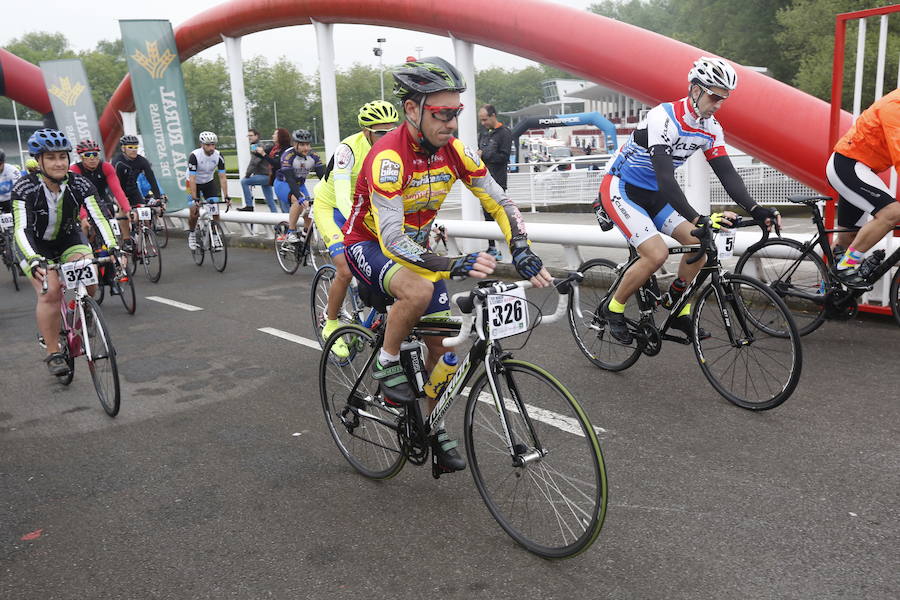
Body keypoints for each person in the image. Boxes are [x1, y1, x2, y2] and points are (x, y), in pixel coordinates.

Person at [342, 57, 552, 473]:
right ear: (413, 110)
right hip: (370, 243)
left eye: (456, 113)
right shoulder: (388, 157)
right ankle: (385, 364)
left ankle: (433, 425)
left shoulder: (454, 151)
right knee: (418, 290)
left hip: (418, 249)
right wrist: (452, 264)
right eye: (442, 114)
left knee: (445, 346)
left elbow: (499, 199)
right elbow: (392, 238)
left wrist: (522, 247)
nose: (452, 124)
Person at [597, 56, 779, 344]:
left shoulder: (711, 128)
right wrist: (697, 218)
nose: (718, 104)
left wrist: (756, 208)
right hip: (622, 188)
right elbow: (667, 179)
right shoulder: (663, 117)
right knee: (655, 255)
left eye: (724, 98)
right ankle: (613, 307)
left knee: (699, 245)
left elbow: (727, 174)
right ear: (695, 89)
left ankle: (677, 305)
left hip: (656, 194)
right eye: (714, 96)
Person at [11, 129, 118, 376]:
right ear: (39, 161)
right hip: (34, 245)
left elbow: (99, 216)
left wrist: (112, 245)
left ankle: (83, 308)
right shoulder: (24, 188)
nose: (59, 162)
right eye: (51, 157)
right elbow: (21, 229)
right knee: (50, 291)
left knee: (89, 274)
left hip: (69, 238)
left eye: (62, 156)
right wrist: (34, 259)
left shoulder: (79, 183)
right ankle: (53, 351)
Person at [313, 100, 399, 357]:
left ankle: (372, 314)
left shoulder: (395, 149)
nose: (388, 137)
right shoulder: (347, 150)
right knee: (346, 268)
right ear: (367, 131)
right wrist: (358, 225)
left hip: (363, 209)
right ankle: (331, 322)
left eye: (392, 131)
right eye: (381, 132)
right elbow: (341, 196)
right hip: (333, 209)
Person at [825, 88, 900, 289]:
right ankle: (846, 266)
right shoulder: (895, 106)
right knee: (891, 213)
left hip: (861, 168)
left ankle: (827, 294)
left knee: (846, 239)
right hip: (847, 165)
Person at [70, 139, 132, 251]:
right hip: (82, 203)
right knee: (85, 226)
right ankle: (86, 251)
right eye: (87, 155)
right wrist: (83, 217)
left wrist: (128, 210)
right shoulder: (74, 170)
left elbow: (117, 190)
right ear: (81, 157)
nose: (92, 158)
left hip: (102, 199)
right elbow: (75, 196)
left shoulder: (106, 167)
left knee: (111, 222)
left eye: (95, 154)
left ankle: (120, 244)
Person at [477, 104, 514, 259]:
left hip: (497, 181)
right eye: (481, 120)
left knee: (499, 214)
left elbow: (504, 158)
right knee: (486, 215)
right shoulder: (484, 134)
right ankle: (492, 247)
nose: (483, 123)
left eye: (485, 119)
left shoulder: (505, 133)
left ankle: (506, 246)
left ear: (493, 115)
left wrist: (483, 154)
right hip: (483, 180)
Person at [275, 129, 324, 242]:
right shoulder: (288, 155)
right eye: (302, 145)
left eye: (307, 144)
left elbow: (323, 177)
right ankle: (291, 232)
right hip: (283, 183)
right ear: (294, 144)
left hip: (300, 184)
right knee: (298, 200)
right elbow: (290, 180)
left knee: (309, 211)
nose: (305, 148)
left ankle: (303, 242)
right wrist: (300, 198)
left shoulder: (314, 156)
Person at [186, 131, 229, 250]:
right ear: (202, 145)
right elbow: (192, 178)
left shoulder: (219, 155)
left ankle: (215, 235)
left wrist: (226, 196)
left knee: (215, 210)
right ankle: (192, 233)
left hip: (208, 182)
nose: (211, 148)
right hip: (192, 182)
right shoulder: (194, 156)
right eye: (208, 145)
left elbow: (222, 177)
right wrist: (195, 198)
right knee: (194, 212)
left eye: (213, 145)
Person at [113, 134, 166, 211]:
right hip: (119, 191)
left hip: (133, 191)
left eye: (135, 147)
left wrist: (158, 197)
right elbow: (113, 182)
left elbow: (151, 179)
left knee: (145, 212)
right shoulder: (117, 162)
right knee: (125, 214)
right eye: (130, 147)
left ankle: (145, 223)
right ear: (123, 148)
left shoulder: (142, 161)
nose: (134, 150)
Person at [239, 128, 276, 212]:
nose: (249, 137)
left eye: (251, 135)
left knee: (244, 181)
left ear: (257, 136)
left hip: (264, 176)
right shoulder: (260, 145)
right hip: (268, 176)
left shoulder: (256, 146)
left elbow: (254, 162)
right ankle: (277, 222)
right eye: (248, 136)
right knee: (270, 201)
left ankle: (249, 205)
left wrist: (247, 175)